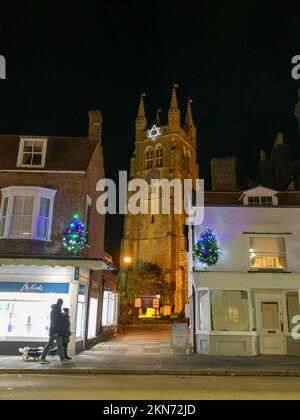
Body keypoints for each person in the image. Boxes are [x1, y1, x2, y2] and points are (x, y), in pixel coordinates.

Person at [40, 298, 70, 364]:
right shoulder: (57, 308)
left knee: (50, 344)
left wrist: (62, 314)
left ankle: (42, 358)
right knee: (60, 345)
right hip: (55, 331)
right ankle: (62, 359)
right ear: (61, 303)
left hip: (53, 330)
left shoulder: (55, 309)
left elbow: (56, 318)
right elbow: (56, 321)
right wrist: (56, 331)